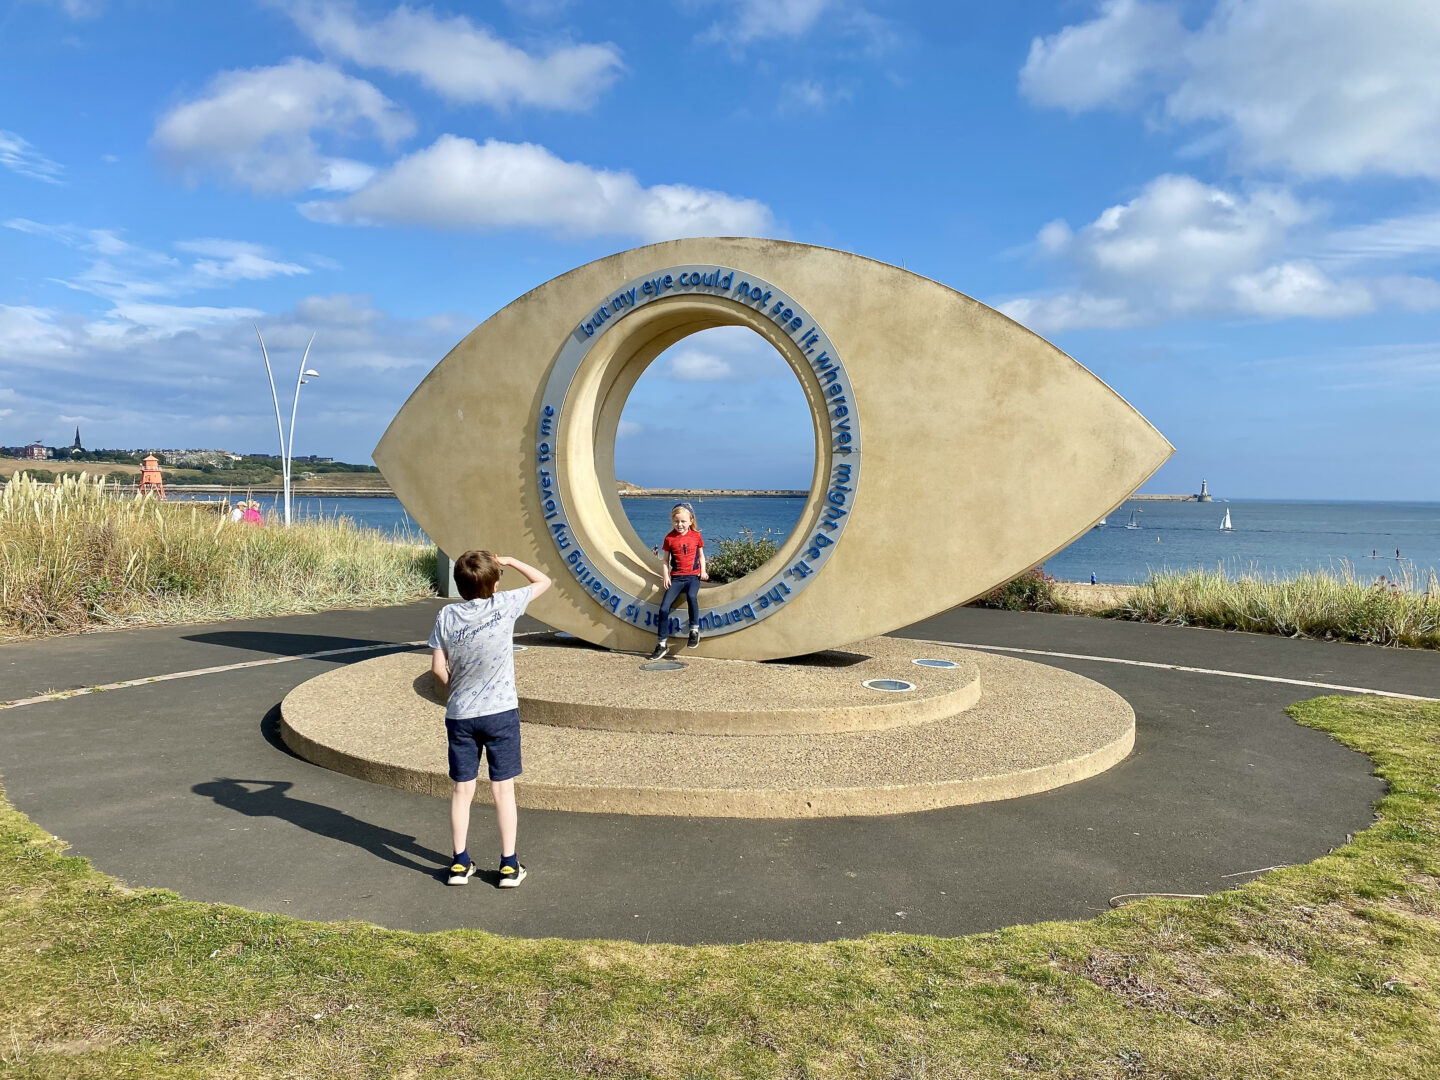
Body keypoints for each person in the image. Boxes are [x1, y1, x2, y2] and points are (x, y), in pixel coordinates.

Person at [429, 550, 551, 888]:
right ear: (495, 584)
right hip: (500, 713)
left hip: (460, 715)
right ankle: (509, 865)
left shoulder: (447, 616)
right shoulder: (505, 605)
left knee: (462, 790)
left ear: (459, 584)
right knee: (503, 790)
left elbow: (439, 669)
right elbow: (544, 581)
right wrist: (511, 561)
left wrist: (456, 691)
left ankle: (458, 863)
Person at [649, 503, 707, 659]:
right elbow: (665, 560)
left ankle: (694, 630)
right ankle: (662, 644)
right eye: (676, 522)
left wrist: (703, 571)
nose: (679, 525)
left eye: (683, 521)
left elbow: (701, 556)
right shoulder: (669, 538)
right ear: (672, 521)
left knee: (691, 597)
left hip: (693, 577)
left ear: (690, 520)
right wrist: (666, 576)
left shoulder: (696, 536)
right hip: (676, 578)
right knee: (663, 608)